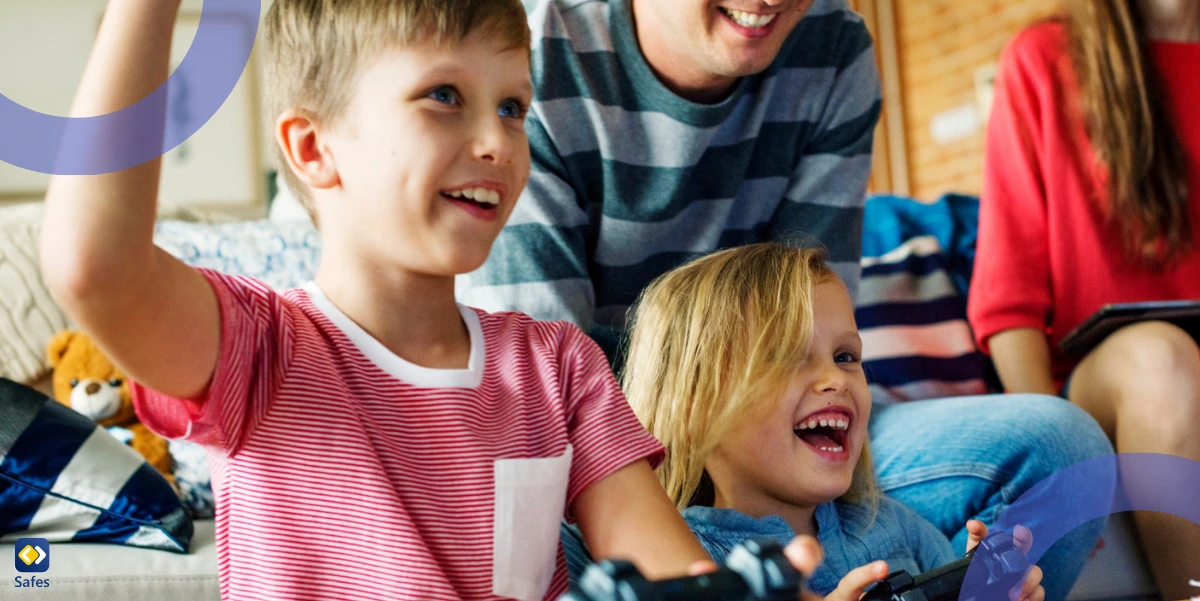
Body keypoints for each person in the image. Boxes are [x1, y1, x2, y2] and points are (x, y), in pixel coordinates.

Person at [38, 0, 824, 599]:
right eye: (445, 95)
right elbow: (92, 265)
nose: (497, 141)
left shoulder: (558, 367)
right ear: (314, 149)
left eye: (513, 107)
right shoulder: (258, 349)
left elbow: (671, 572)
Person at [457, 1, 1112, 599]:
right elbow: (550, 397)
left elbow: (819, 301)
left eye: (850, 359)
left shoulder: (833, 42)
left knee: (1061, 448)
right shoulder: (530, 60)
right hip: (625, 430)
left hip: (779, 422)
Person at [619, 243, 1045, 601]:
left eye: (846, 357)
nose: (835, 379)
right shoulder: (689, 564)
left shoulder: (892, 523)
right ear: (695, 407)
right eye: (788, 357)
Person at [969, 1, 1200, 597]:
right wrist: (1051, 452)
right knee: (1162, 363)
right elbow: (1008, 297)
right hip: (1107, 380)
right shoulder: (1042, 59)